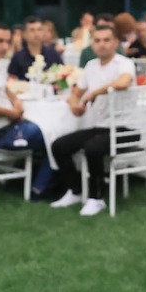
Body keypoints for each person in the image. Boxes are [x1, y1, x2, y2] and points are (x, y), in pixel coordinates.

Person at [47, 23, 136, 216]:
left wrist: (95, 92)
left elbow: (123, 82)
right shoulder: (91, 66)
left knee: (92, 147)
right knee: (59, 146)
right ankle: (76, 191)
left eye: (106, 40)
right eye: (97, 40)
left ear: (116, 42)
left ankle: (96, 198)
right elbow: (76, 93)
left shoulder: (124, 63)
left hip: (126, 128)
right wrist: (75, 105)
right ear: (92, 44)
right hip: (101, 126)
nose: (102, 44)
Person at [0, 24, 56, 198]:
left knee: (49, 129)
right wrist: (10, 113)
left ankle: (40, 183)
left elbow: (3, 86)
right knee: (52, 135)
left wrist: (15, 100)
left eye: (7, 42)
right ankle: (39, 189)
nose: (4, 46)